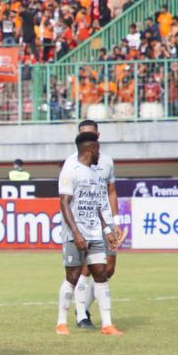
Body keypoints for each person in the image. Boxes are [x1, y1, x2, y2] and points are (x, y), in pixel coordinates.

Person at [56, 131, 121, 336]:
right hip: (75, 234)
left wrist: (108, 229)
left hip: (95, 233)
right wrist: (75, 233)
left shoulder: (95, 173)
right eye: (98, 149)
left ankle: (107, 324)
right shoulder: (70, 170)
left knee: (101, 274)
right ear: (90, 149)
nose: (100, 154)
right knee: (73, 276)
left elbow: (101, 205)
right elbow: (64, 202)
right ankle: (61, 322)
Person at [71, 120, 125, 329]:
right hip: (84, 223)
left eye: (91, 136)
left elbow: (111, 191)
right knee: (87, 268)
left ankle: (82, 305)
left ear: (98, 137)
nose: (88, 140)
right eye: (83, 136)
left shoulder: (107, 162)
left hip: (105, 221)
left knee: (107, 270)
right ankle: (81, 315)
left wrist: (115, 221)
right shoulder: (71, 163)